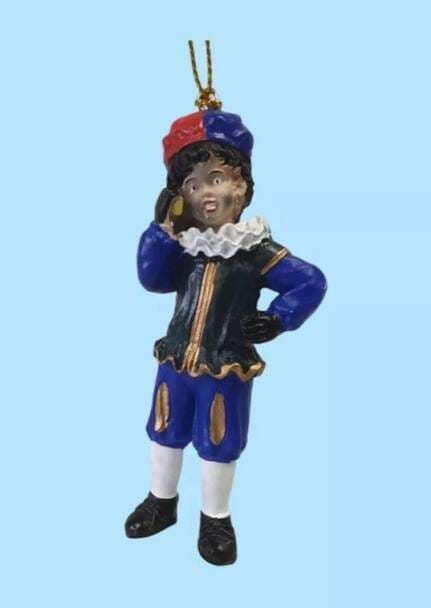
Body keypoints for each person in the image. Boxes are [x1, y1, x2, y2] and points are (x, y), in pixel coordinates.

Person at [124, 108, 327, 566]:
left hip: (226, 363)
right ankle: (161, 501)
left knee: (219, 439)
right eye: (193, 185)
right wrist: (161, 232)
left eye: (216, 179)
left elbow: (310, 281)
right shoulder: (184, 247)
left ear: (241, 187)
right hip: (177, 358)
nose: (206, 194)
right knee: (164, 429)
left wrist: (277, 319)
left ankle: (215, 519)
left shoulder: (255, 250)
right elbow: (151, 279)